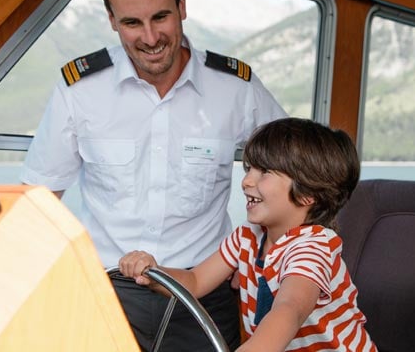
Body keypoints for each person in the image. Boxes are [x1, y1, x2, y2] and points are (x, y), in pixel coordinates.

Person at [20, 0, 286, 350]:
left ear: (182, 5)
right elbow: (39, 202)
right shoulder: (79, 89)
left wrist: (258, 248)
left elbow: (295, 170)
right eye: (131, 22)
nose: (149, 37)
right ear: (112, 21)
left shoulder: (236, 88)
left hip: (203, 290)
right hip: (106, 290)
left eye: (160, 17)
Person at [119, 117, 377, 351]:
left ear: (308, 193)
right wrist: (153, 275)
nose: (246, 181)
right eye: (249, 169)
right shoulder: (248, 236)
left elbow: (290, 309)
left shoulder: (313, 246)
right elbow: (195, 281)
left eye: (264, 172)